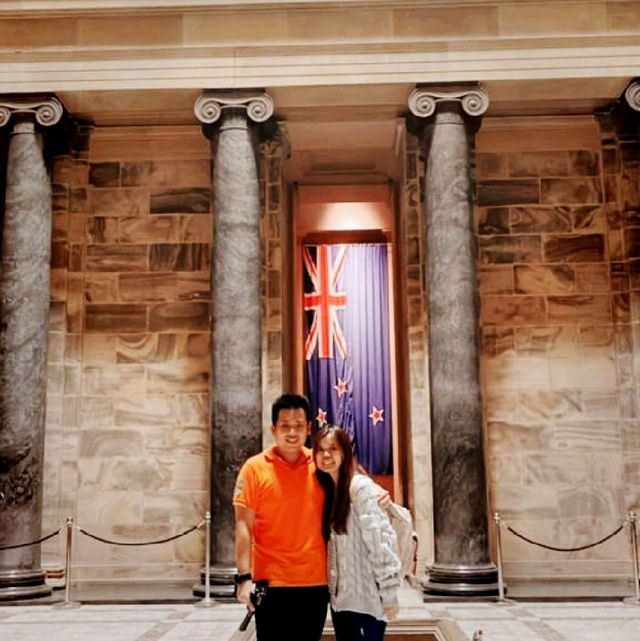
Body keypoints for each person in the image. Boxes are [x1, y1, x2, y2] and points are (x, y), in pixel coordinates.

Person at [233, 393, 329, 641]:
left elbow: (352, 481)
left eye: (299, 426)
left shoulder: (320, 465)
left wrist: (377, 493)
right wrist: (244, 577)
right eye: (285, 426)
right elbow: (243, 525)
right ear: (273, 428)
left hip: (315, 582)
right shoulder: (254, 468)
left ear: (309, 428)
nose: (292, 432)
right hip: (271, 583)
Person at [313, 425, 402, 641]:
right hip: (341, 603)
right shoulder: (328, 490)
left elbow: (381, 545)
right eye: (321, 449)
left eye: (333, 449)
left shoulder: (361, 488)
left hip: (366, 602)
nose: (326, 455)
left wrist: (389, 596)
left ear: (344, 451)